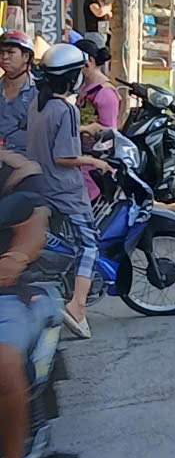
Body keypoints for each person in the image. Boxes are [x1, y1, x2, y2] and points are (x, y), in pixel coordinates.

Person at [28, 44, 109, 340]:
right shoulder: (66, 109)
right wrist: (93, 160)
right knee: (89, 245)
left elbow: (46, 139)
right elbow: (63, 157)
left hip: (41, 185)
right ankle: (77, 306)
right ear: (72, 78)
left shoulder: (39, 103)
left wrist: (84, 129)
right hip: (65, 190)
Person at [0, 148, 54, 458]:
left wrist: (16, 258)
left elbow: (36, 217)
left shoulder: (14, 172)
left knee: (4, 363)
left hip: (6, 294)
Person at [77, 38, 119, 202]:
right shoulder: (84, 88)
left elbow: (109, 131)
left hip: (93, 162)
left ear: (90, 61)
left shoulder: (105, 93)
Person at [0, 31, 36, 153]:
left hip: (28, 160)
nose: (4, 57)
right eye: (1, 52)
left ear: (26, 57)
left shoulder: (39, 92)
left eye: (10, 52)